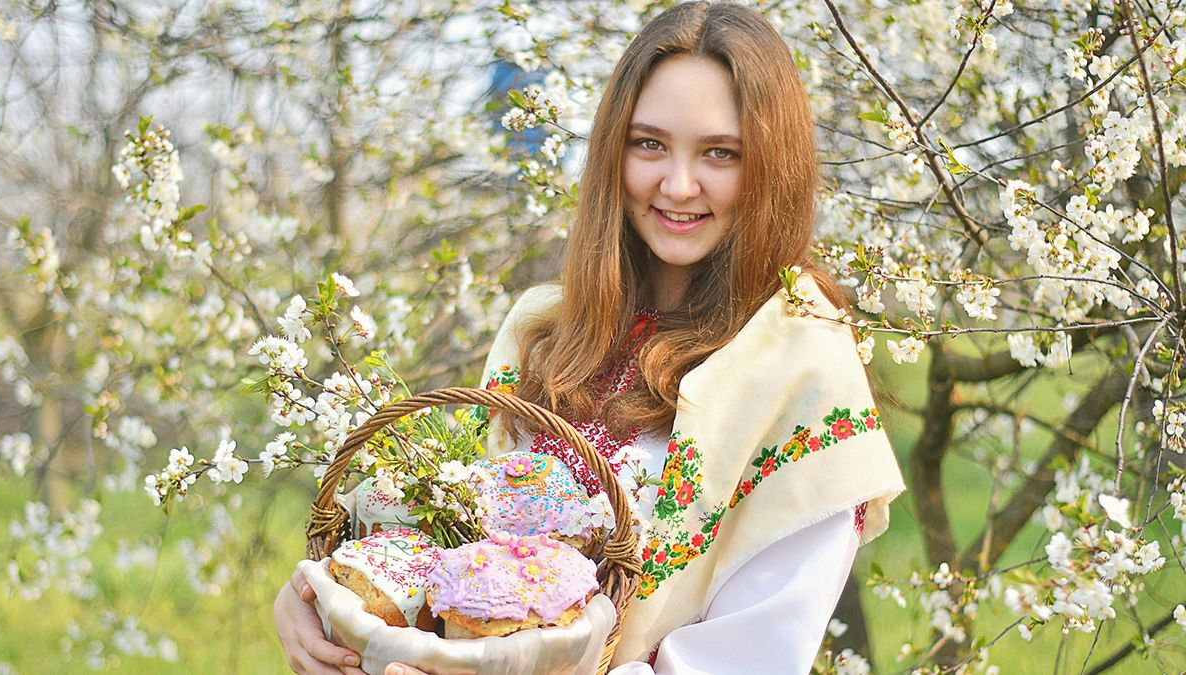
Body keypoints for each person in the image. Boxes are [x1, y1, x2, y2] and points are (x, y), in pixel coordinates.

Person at [273, 2, 905, 673]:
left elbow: (748, 658)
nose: (678, 184)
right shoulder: (543, 328)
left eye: (721, 152)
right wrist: (323, 599)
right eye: (649, 143)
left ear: (770, 166)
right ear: (614, 149)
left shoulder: (803, 370)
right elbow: (461, 556)